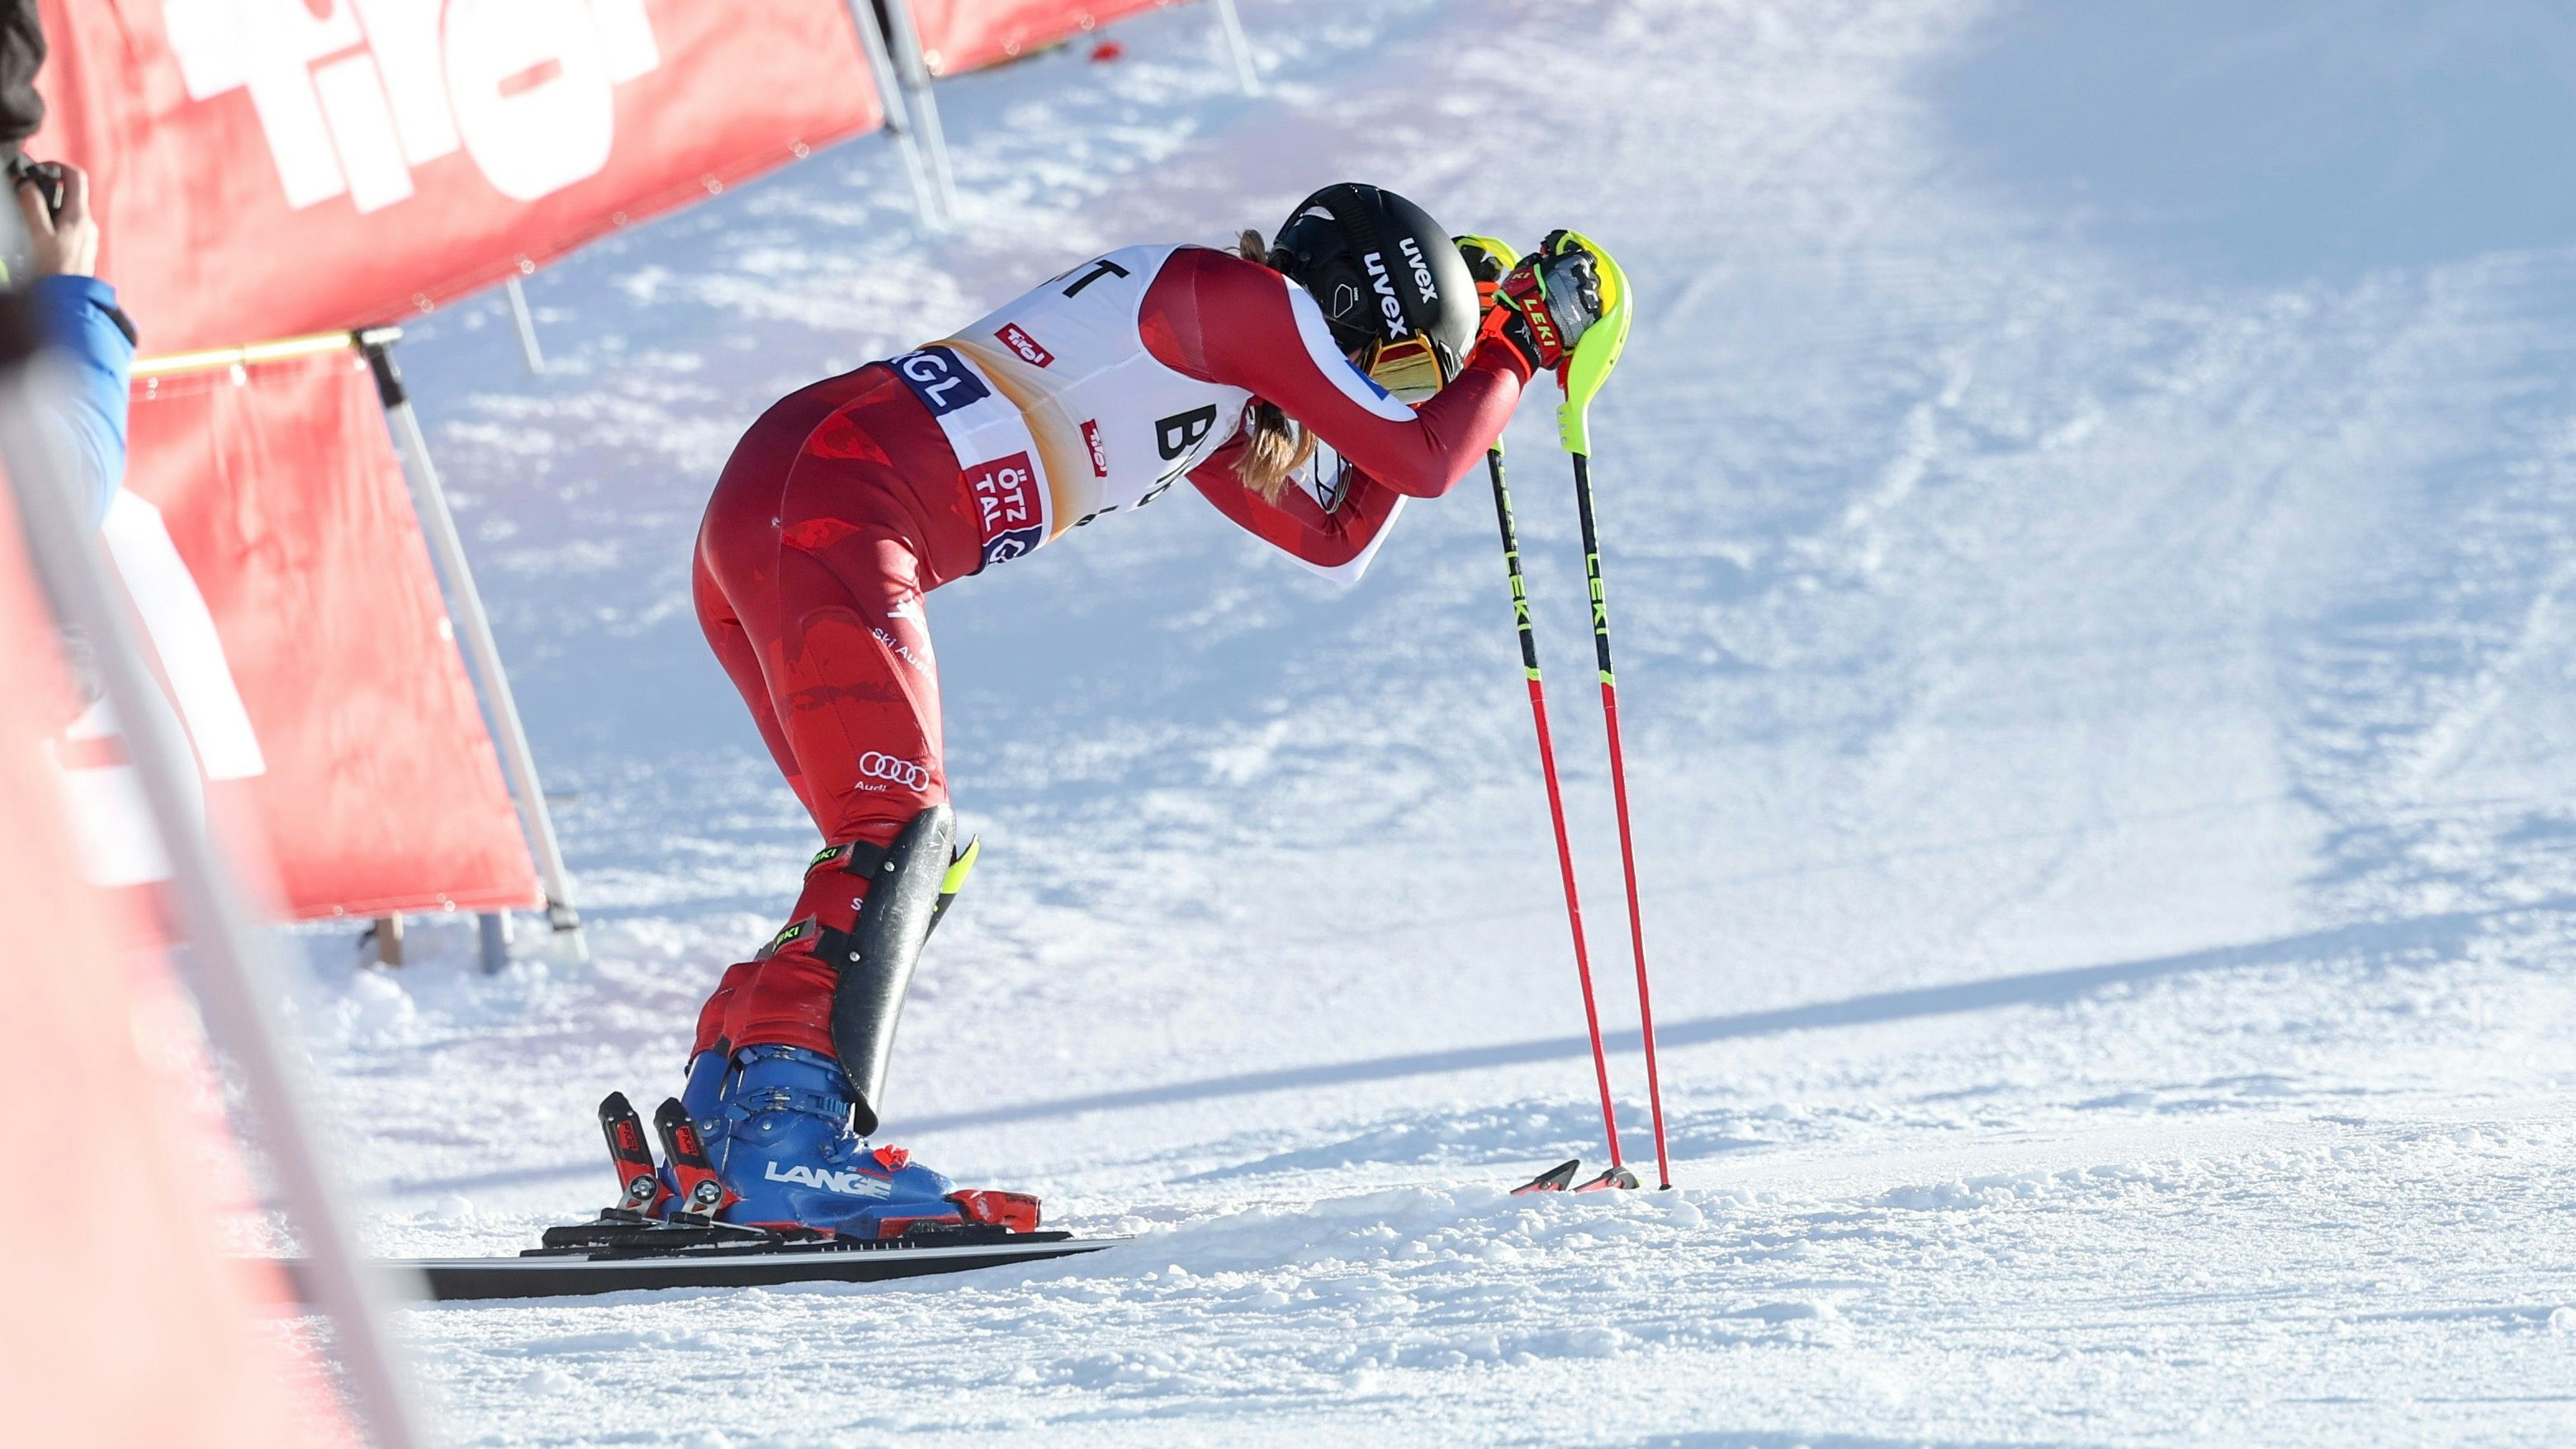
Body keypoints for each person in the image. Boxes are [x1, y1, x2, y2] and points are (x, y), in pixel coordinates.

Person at [680, 183, 1603, 1234]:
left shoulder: (1210, 383)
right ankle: (785, 1149)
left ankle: (720, 1131)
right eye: (1388, 372)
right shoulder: (1237, 298)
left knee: (875, 855)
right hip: (829, 500)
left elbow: (1338, 536)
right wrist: (1518, 347)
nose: (1377, 405)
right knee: (898, 837)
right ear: (1349, 301)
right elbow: (1428, 458)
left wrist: (1469, 349)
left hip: (780, 497)